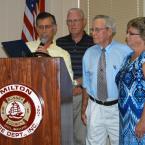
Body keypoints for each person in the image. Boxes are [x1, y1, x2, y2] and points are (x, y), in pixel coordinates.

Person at [81, 15, 132, 145]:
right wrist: (84, 107)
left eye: (97, 30)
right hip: (95, 107)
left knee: (120, 142)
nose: (93, 33)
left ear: (109, 31)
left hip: (117, 108)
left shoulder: (126, 52)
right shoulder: (88, 53)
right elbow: (86, 84)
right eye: (92, 29)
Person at [56, 8, 94, 145]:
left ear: (83, 22)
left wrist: (80, 85)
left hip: (84, 95)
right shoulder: (59, 43)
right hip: (62, 97)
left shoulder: (93, 43)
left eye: (76, 21)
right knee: (63, 136)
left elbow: (96, 71)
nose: (72, 24)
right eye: (69, 21)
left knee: (81, 136)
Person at [115, 17, 145, 145]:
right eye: (127, 32)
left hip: (139, 118)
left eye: (131, 33)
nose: (127, 36)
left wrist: (143, 121)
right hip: (125, 118)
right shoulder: (128, 57)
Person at [26, 12, 73, 81]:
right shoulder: (26, 47)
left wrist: (49, 61)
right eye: (41, 27)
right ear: (36, 29)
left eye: (47, 27)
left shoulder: (63, 54)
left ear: (54, 28)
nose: (44, 31)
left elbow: (68, 81)